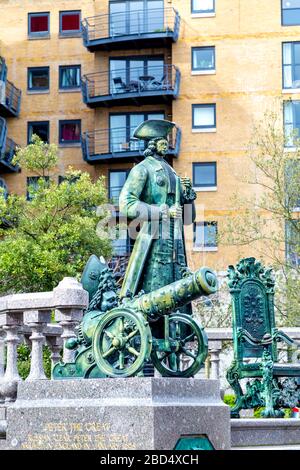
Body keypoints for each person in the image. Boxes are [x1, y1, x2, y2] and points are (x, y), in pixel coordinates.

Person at [119, 119, 196, 311]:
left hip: (176, 241)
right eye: (162, 140)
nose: (166, 144)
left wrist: (189, 195)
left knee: (177, 285)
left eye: (166, 140)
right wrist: (162, 211)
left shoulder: (173, 173)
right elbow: (126, 204)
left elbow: (188, 218)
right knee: (155, 284)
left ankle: (177, 332)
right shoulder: (142, 169)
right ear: (152, 144)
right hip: (153, 239)